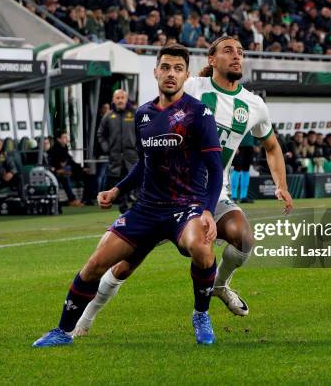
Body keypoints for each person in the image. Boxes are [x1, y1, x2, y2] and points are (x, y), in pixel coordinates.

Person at [73, 36, 293, 336]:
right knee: (126, 264)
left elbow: (271, 146)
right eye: (228, 50)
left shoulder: (254, 105)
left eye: (241, 52)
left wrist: (280, 184)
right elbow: (156, 128)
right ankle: (83, 320)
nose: (237, 56)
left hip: (214, 194)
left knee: (243, 237)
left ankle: (218, 286)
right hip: (168, 196)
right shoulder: (191, 87)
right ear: (211, 60)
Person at [32, 43, 223, 347]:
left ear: (186, 75)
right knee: (95, 263)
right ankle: (63, 331)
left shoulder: (199, 114)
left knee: (201, 247)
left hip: (185, 208)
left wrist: (208, 210)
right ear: (155, 71)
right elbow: (143, 165)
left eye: (177, 69)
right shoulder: (144, 115)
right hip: (145, 210)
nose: (170, 74)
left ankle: (201, 313)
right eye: (165, 67)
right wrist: (117, 189)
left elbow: (216, 169)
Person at [97, 89, 138, 213]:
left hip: (132, 156)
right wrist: (106, 148)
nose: (120, 100)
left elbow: (144, 131)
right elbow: (100, 134)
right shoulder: (108, 116)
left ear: (126, 99)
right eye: (117, 98)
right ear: (113, 100)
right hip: (116, 158)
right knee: (120, 186)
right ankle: (124, 212)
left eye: (122, 98)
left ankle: (139, 210)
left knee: (136, 182)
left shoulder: (135, 114)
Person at [48, 131, 87, 207]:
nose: (67, 139)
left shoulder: (64, 148)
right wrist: (59, 170)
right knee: (65, 177)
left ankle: (84, 199)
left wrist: (82, 169)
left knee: (85, 174)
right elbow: (54, 165)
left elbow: (70, 161)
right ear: (59, 139)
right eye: (64, 137)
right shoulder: (54, 150)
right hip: (54, 173)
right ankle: (72, 200)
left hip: (64, 171)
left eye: (67, 137)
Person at [230, 132, 255, 203]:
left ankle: (243, 197)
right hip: (239, 146)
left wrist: (255, 144)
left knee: (246, 170)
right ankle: (233, 196)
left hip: (249, 146)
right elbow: (233, 130)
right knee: (237, 169)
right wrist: (234, 145)